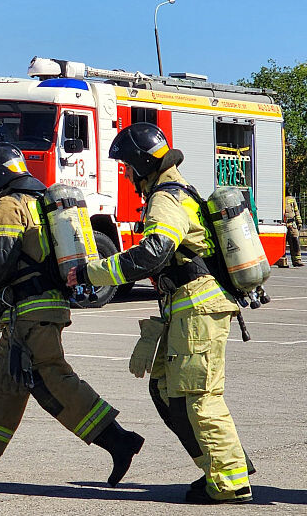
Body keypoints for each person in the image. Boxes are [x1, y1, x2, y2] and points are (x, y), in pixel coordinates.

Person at [68, 123, 253, 504]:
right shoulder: (178, 190)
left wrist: (92, 272)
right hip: (188, 308)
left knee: (197, 396)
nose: (127, 175)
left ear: (141, 165)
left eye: (127, 167)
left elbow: (153, 253)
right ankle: (222, 465)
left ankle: (230, 481)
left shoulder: (165, 198)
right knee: (166, 390)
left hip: (197, 307)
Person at [0, 143, 144, 487]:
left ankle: (118, 441)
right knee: (4, 376)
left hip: (30, 311)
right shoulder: (40, 201)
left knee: (52, 381)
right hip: (39, 307)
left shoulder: (9, 204)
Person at [280, 184, 303, 267]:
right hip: (282, 224)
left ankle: (297, 260)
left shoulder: (291, 199)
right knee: (282, 244)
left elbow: (296, 211)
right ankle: (282, 261)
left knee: (295, 241)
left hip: (291, 223)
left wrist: (299, 221)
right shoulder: (279, 198)